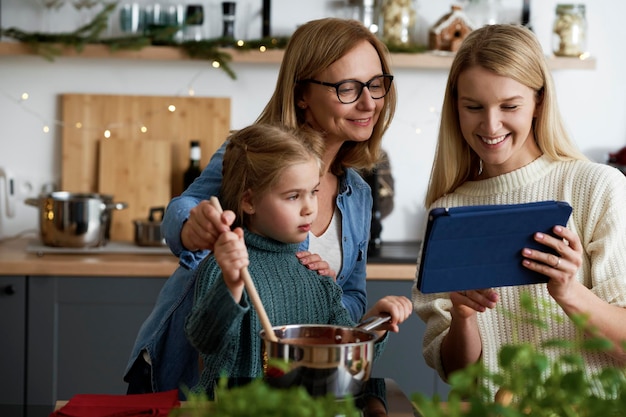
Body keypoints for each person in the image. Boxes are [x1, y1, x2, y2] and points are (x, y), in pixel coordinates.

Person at [124, 17, 397, 395]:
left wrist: (322, 291)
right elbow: (181, 210)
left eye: (376, 84)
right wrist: (195, 226)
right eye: (347, 88)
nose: (369, 102)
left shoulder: (359, 193)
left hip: (278, 388)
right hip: (190, 376)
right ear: (302, 93)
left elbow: (350, 299)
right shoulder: (257, 156)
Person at [411, 24, 626, 397]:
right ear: (455, 107)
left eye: (509, 106)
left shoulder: (596, 187)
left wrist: (569, 292)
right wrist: (464, 316)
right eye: (473, 107)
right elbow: (457, 372)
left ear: (539, 102)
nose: (490, 125)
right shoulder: (449, 210)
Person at [185, 123, 412, 396]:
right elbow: (206, 341)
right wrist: (232, 286)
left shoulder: (313, 273)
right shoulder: (226, 269)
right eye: (293, 196)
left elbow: (340, 355)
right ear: (249, 201)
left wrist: (375, 324)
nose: (309, 208)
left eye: (314, 192)